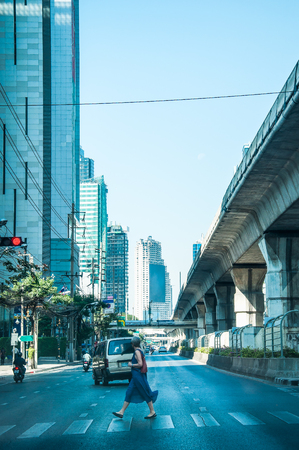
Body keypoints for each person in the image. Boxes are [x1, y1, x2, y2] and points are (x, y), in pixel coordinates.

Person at [112, 336, 158, 420]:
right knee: (129, 392)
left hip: (138, 376)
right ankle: (121, 411)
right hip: (136, 376)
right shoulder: (139, 350)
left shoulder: (137, 351)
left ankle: (152, 411)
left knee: (145, 392)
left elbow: (140, 364)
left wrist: (131, 365)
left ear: (132, 344)